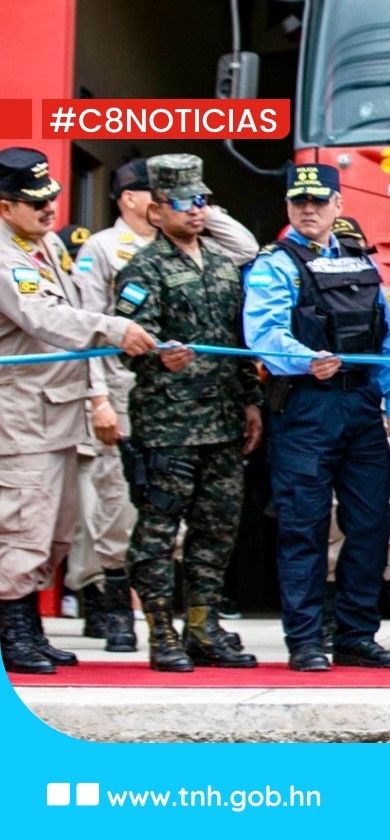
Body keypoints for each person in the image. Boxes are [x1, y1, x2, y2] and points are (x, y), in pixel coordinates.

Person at [71, 158, 257, 652]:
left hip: (222, 420)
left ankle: (203, 626)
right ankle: (161, 632)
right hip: (168, 424)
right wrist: (158, 358)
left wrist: (251, 404)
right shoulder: (142, 269)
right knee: (156, 533)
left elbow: (237, 341)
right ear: (155, 211)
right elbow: (127, 345)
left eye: (202, 201)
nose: (196, 211)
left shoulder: (221, 264)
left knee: (215, 530)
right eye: (182, 202)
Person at [244, 163, 390, 672]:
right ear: (289, 208)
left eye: (319, 202)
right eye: (300, 203)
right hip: (306, 408)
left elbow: (382, 338)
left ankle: (357, 633)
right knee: (304, 526)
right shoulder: (274, 264)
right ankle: (306, 639)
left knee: (371, 524)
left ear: (339, 206)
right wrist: (303, 360)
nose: (309, 210)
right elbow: (264, 334)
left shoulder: (359, 260)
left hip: (361, 407)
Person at [0, 146, 156, 674]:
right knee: (22, 529)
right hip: (20, 417)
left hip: (59, 412)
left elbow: (76, 313)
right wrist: (113, 330)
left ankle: (29, 630)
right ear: (4, 207)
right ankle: (13, 635)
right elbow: (43, 317)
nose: (49, 210)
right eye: (34, 202)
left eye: (52, 198)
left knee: (54, 530)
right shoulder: (5, 256)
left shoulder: (44, 245)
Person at [322, 215, 390, 655]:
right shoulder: (312, 290)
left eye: (355, 249)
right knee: (333, 521)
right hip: (335, 416)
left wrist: (368, 305)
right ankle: (332, 616)